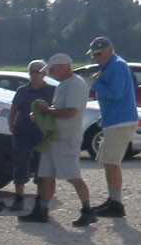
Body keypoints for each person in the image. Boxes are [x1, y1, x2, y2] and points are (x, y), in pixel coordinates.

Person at [24, 52, 98, 227]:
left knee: (73, 176)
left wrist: (46, 111)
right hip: (55, 136)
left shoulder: (75, 84)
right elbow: (61, 108)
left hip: (67, 137)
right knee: (46, 175)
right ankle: (42, 210)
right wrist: (44, 113)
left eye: (52, 69)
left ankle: (88, 210)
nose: (49, 73)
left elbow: (71, 112)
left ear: (63, 67)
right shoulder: (64, 84)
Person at [87, 36, 136, 219]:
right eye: (93, 54)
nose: (95, 57)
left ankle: (116, 204)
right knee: (109, 162)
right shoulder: (110, 66)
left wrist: (97, 84)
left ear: (110, 50)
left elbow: (116, 94)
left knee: (112, 163)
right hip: (114, 120)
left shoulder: (117, 66)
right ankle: (113, 200)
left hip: (119, 122)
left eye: (99, 53)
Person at [5, 59, 55, 210]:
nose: (34, 75)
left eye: (38, 72)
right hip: (22, 131)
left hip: (42, 133)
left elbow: (57, 111)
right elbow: (13, 110)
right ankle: (18, 198)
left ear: (44, 73)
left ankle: (40, 198)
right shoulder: (22, 90)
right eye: (32, 72)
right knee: (20, 164)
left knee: (42, 165)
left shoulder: (51, 90)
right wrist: (11, 124)